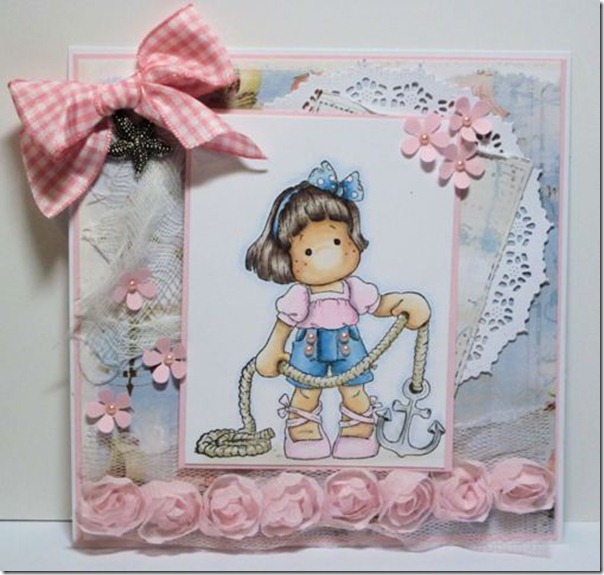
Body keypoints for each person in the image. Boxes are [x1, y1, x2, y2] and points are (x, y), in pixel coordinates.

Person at [246, 161, 430, 459]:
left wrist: (404, 304)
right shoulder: (300, 295)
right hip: (308, 347)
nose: (328, 255)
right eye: (308, 250)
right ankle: (303, 433)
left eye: (336, 240)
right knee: (305, 391)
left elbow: (379, 305)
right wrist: (272, 349)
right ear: (287, 256)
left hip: (348, 344)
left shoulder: (353, 289)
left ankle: (357, 431)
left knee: (354, 390)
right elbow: (284, 324)